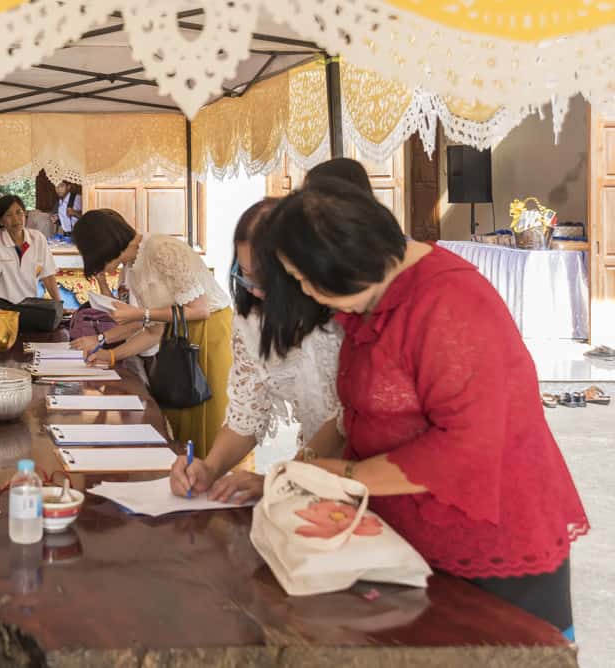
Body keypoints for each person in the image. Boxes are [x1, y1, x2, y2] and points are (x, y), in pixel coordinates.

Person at [266, 176, 588, 639]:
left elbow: (468, 444)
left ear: (346, 263)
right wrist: (307, 469)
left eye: (303, 280)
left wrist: (342, 478)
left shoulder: (448, 304)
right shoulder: (374, 299)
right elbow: (358, 409)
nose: (306, 294)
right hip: (410, 536)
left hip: (487, 540)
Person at [169, 199, 341, 502]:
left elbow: (345, 420)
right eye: (243, 274)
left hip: (366, 471)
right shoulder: (253, 322)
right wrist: (210, 467)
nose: (251, 289)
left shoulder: (343, 315)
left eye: (262, 279)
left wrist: (284, 477)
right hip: (309, 473)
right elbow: (245, 414)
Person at [71, 209, 233, 457]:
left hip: (208, 337)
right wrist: (105, 350)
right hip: (176, 341)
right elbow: (152, 330)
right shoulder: (132, 266)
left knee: (209, 427)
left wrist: (140, 314)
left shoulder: (162, 249)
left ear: (103, 245)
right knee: (181, 426)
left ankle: (214, 484)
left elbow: (199, 310)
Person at [0, 195, 63, 303]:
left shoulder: (38, 238)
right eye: (9, 215)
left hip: (29, 309)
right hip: (4, 310)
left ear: (25, 213)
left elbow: (48, 276)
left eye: (19, 212)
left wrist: (59, 305)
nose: (16, 219)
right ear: (0, 221)